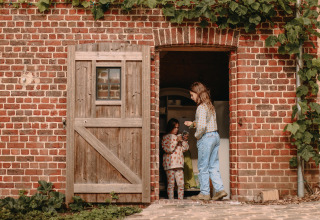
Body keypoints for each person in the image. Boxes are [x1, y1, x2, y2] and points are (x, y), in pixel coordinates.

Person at [184, 82, 227, 201]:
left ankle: (204, 193)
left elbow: (202, 128)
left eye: (192, 95)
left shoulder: (200, 108)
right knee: (213, 165)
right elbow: (205, 123)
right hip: (215, 136)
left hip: (206, 138)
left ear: (198, 94)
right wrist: (192, 124)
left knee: (203, 167)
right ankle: (220, 190)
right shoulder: (209, 106)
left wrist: (197, 136)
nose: (191, 98)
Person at [162, 118, 189, 200]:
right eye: (175, 127)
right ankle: (171, 201)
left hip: (179, 164)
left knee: (181, 184)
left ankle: (180, 200)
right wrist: (176, 141)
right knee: (171, 184)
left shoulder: (179, 137)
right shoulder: (165, 137)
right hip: (170, 165)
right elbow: (168, 149)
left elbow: (185, 149)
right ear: (170, 127)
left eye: (177, 127)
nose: (176, 129)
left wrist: (184, 140)